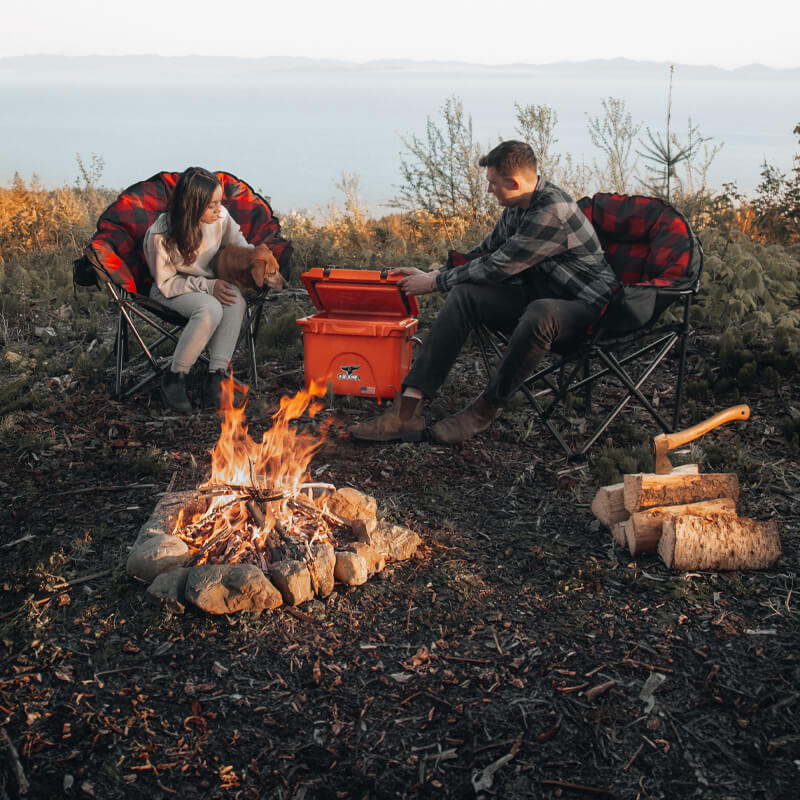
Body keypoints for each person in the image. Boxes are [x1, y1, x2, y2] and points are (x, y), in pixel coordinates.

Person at [348, 140, 617, 444]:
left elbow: (498, 267)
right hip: (541, 295)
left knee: (541, 314)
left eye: (493, 184)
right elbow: (485, 254)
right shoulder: (518, 206)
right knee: (464, 294)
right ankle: (406, 412)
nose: (489, 190)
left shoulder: (551, 211)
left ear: (513, 183)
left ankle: (482, 412)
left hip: (587, 310)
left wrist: (434, 284)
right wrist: (434, 274)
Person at [143, 167, 278, 413]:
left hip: (208, 285)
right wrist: (208, 285)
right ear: (191, 206)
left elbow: (241, 247)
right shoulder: (160, 235)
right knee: (210, 309)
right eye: (211, 205)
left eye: (219, 202)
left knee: (234, 299)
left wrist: (253, 265)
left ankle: (217, 377)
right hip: (171, 289)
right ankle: (175, 377)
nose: (219, 211)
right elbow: (166, 282)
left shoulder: (221, 218)